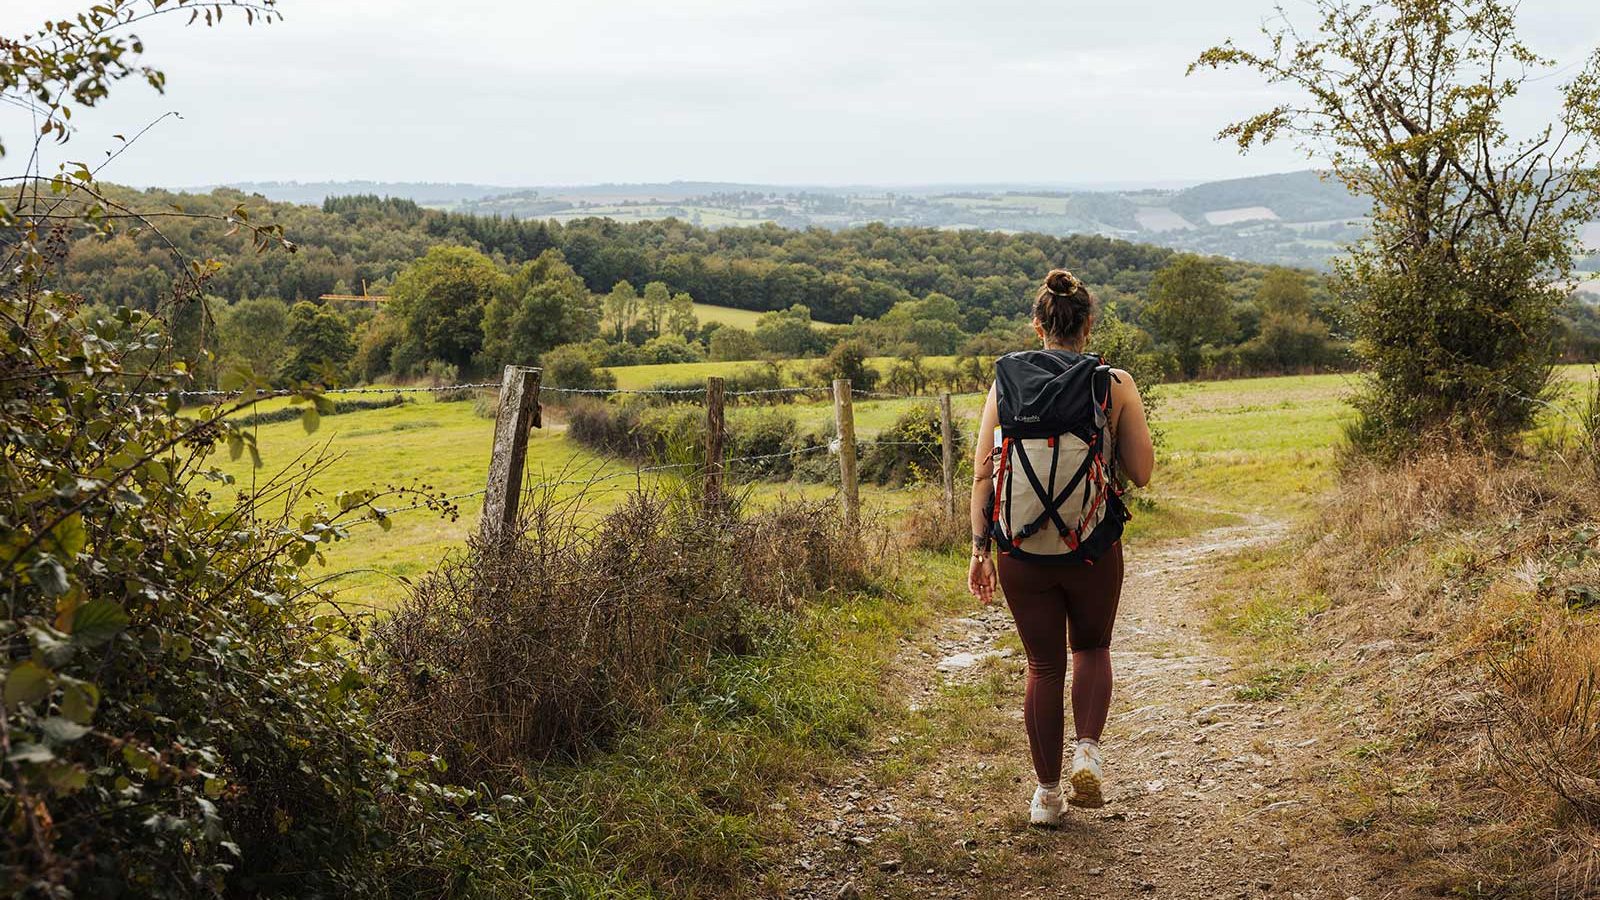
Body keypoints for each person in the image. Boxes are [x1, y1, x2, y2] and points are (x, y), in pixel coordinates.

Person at [967, 269, 1155, 826]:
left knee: (1042, 666)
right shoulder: (1113, 382)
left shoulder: (1006, 384)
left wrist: (980, 550)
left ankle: (1046, 798)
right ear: (1088, 325)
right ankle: (1088, 753)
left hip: (1020, 551)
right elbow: (1141, 473)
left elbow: (982, 476)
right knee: (1091, 649)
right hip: (1091, 546)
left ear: (1038, 324)